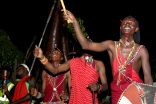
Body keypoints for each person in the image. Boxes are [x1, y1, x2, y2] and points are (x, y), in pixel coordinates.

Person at [62, 10, 153, 104]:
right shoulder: (111, 45)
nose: (127, 24)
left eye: (131, 23)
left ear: (136, 29)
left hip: (136, 91)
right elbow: (86, 45)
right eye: (124, 22)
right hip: (117, 91)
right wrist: (75, 23)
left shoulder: (141, 50)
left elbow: (148, 77)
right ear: (120, 27)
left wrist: (149, 99)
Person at [33, 38, 108, 104]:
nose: (86, 45)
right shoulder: (73, 61)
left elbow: (105, 85)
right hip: (74, 101)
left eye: (88, 44)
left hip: (91, 100)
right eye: (84, 43)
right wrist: (42, 57)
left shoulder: (98, 64)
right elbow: (55, 70)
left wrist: (98, 86)